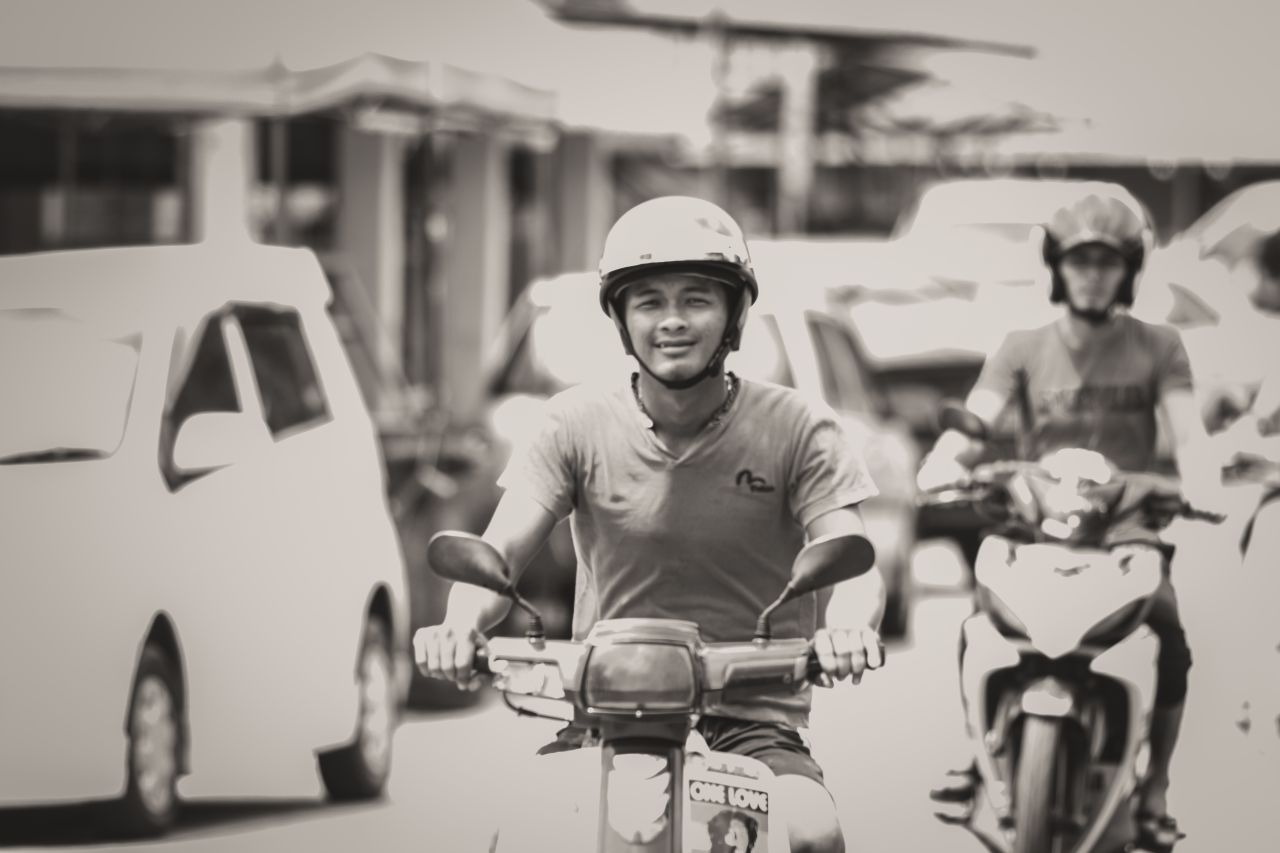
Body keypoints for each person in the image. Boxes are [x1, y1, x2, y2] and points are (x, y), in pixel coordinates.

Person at [415, 195, 886, 853]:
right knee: (512, 831)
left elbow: (851, 559)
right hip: (604, 719)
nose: (672, 321)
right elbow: (498, 556)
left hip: (748, 722)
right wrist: (458, 625)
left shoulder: (799, 427)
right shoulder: (571, 423)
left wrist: (848, 629)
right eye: (649, 301)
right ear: (621, 318)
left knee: (809, 826)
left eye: (696, 299)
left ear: (733, 313)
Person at [917, 182, 1226, 853]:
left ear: (1129, 270)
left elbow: (1189, 434)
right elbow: (976, 422)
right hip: (1033, 526)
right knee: (978, 625)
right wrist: (944, 460)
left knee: (1170, 637)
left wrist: (1203, 483)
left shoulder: (1161, 346)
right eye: (1080, 260)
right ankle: (973, 752)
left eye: (1107, 262)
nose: (1092, 274)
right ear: (1057, 266)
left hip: (1126, 530)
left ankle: (1155, 789)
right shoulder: (1021, 346)